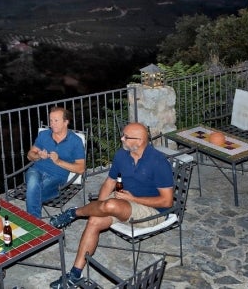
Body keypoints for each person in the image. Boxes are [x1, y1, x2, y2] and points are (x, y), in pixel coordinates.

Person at [47, 122, 173, 289]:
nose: (122, 138)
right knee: (94, 220)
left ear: (140, 140)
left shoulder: (158, 162)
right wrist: (100, 206)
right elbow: (109, 182)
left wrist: (134, 199)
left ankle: (74, 213)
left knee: (111, 205)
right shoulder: (122, 155)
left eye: (126, 137)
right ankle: (75, 274)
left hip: (152, 211)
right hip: (123, 202)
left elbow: (167, 201)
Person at [24, 107, 85, 218]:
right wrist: (38, 156)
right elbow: (29, 155)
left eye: (56, 120)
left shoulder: (75, 141)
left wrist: (58, 161)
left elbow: (81, 168)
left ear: (66, 122)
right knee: (33, 182)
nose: (52, 124)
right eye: (51, 120)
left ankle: (32, 221)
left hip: (57, 177)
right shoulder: (44, 135)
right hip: (36, 170)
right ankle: (34, 221)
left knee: (32, 190)